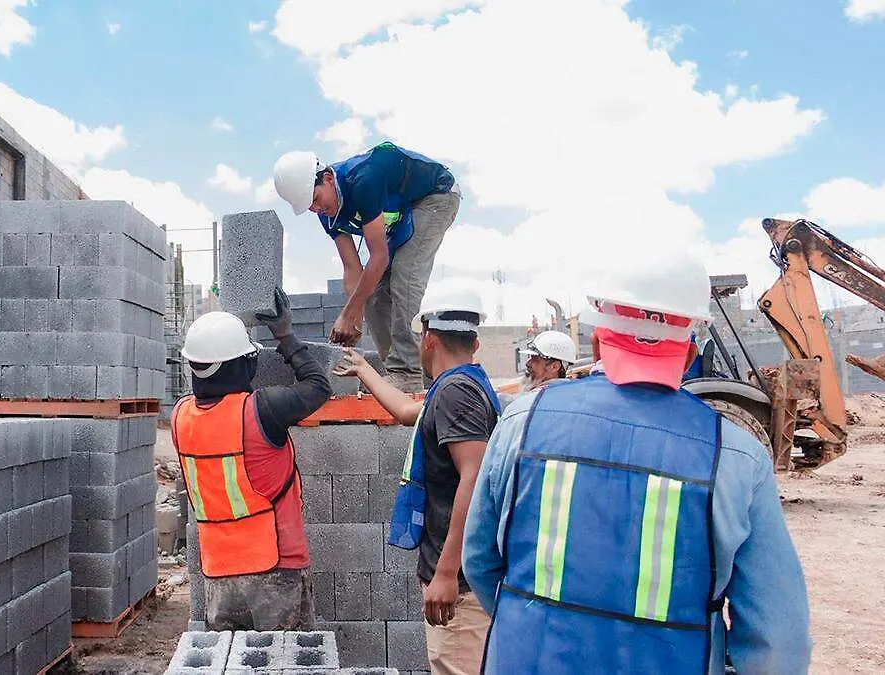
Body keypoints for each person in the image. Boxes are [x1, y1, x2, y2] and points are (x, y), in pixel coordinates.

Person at [461, 256, 812, 674]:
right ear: (688, 356)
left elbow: (480, 561)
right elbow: (777, 639)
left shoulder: (522, 421)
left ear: (597, 344)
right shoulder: (736, 456)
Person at [334, 280, 498, 675]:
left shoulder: (456, 394)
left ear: (427, 339)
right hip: (460, 577)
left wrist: (445, 574)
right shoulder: (459, 386)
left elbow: (472, 479)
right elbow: (410, 411)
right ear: (474, 342)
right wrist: (364, 370)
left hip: (459, 586)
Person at [172, 288, 332, 630]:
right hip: (276, 568)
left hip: (219, 572)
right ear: (245, 364)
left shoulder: (180, 416)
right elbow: (319, 386)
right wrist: (285, 335)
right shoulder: (261, 409)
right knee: (284, 662)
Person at [274, 142, 461, 391]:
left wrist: (347, 314)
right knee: (372, 292)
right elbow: (353, 269)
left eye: (316, 199)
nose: (316, 209)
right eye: (310, 207)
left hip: (436, 196)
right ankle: (399, 372)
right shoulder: (327, 214)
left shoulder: (362, 180)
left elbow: (379, 256)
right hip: (406, 209)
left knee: (404, 275)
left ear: (327, 178)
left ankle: (406, 372)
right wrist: (355, 320)